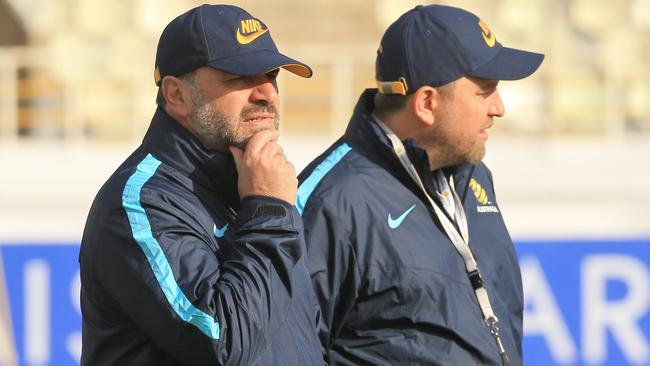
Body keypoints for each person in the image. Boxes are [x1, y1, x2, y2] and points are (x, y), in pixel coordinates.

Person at [297, 4, 544, 366]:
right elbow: (284, 347)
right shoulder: (331, 200)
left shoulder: (472, 174)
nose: (499, 107)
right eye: (485, 91)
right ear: (427, 102)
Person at [79, 4, 324, 365]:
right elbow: (223, 342)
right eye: (239, 77)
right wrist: (269, 211)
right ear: (176, 95)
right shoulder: (139, 202)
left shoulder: (260, 187)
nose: (267, 94)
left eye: (271, 75)